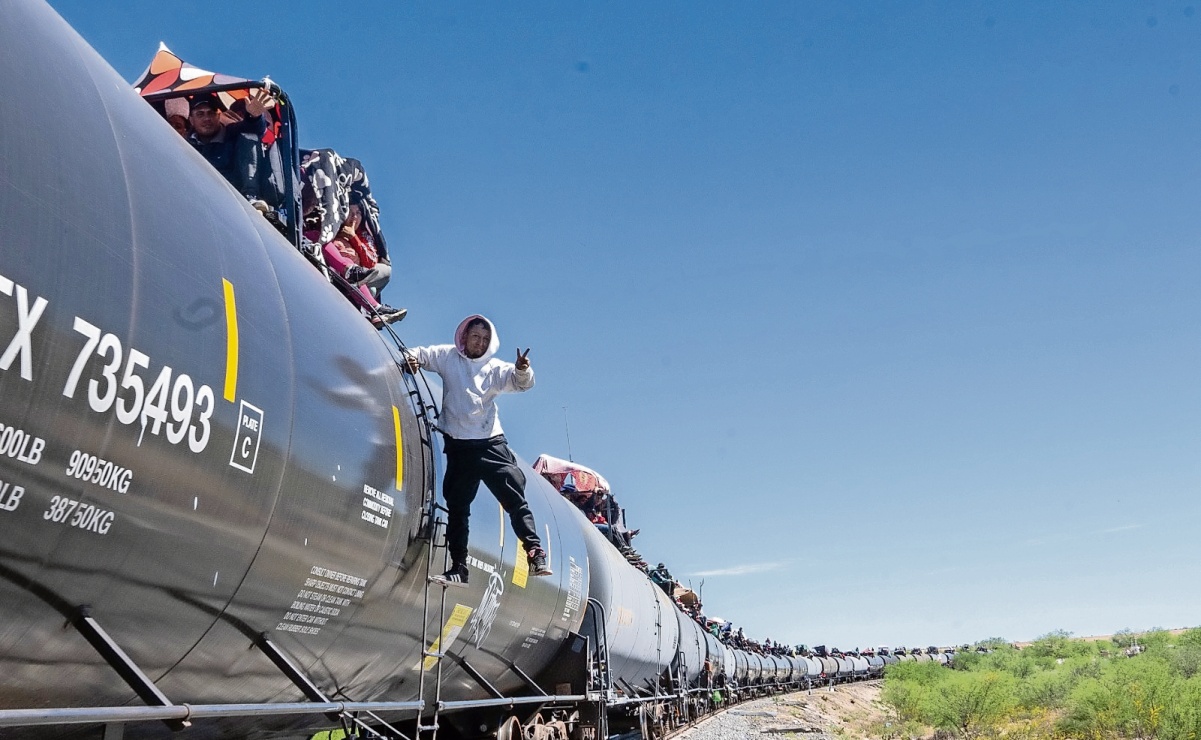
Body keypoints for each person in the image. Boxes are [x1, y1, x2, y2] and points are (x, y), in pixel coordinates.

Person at [406, 315, 551, 586]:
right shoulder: (447, 357)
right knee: (458, 508)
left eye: (485, 339)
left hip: (489, 444)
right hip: (459, 446)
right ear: (464, 337)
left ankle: (535, 552)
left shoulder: (494, 368)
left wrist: (522, 369)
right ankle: (459, 567)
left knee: (514, 498)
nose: (480, 343)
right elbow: (420, 354)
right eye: (475, 337)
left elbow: (521, 383)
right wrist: (412, 359)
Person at [321, 204, 406, 326]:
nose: (354, 217)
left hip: (358, 281)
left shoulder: (363, 234)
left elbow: (370, 263)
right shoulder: (329, 231)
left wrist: (353, 237)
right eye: (349, 212)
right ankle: (374, 309)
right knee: (355, 275)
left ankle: (372, 310)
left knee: (380, 274)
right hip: (336, 276)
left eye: (358, 213)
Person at [187, 91, 276, 204]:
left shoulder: (233, 132)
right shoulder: (183, 144)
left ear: (218, 116)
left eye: (211, 113)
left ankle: (251, 197)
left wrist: (254, 116)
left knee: (249, 136)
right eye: (200, 114)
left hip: (234, 196)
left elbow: (254, 128)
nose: (207, 118)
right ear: (191, 120)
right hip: (197, 196)